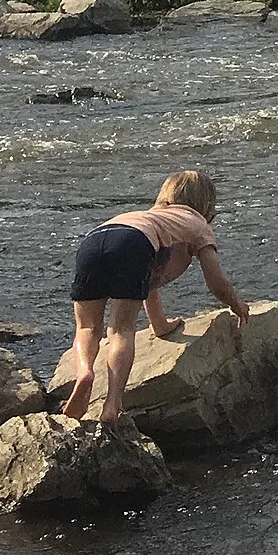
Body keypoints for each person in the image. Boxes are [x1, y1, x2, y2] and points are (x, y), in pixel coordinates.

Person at [62, 170, 250, 422]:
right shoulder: (197, 223)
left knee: (87, 327)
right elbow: (216, 280)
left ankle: (85, 372)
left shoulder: (152, 216)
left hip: (94, 238)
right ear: (205, 204)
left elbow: (149, 280)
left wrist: (160, 325)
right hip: (133, 241)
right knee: (120, 331)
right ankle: (112, 405)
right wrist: (236, 303)